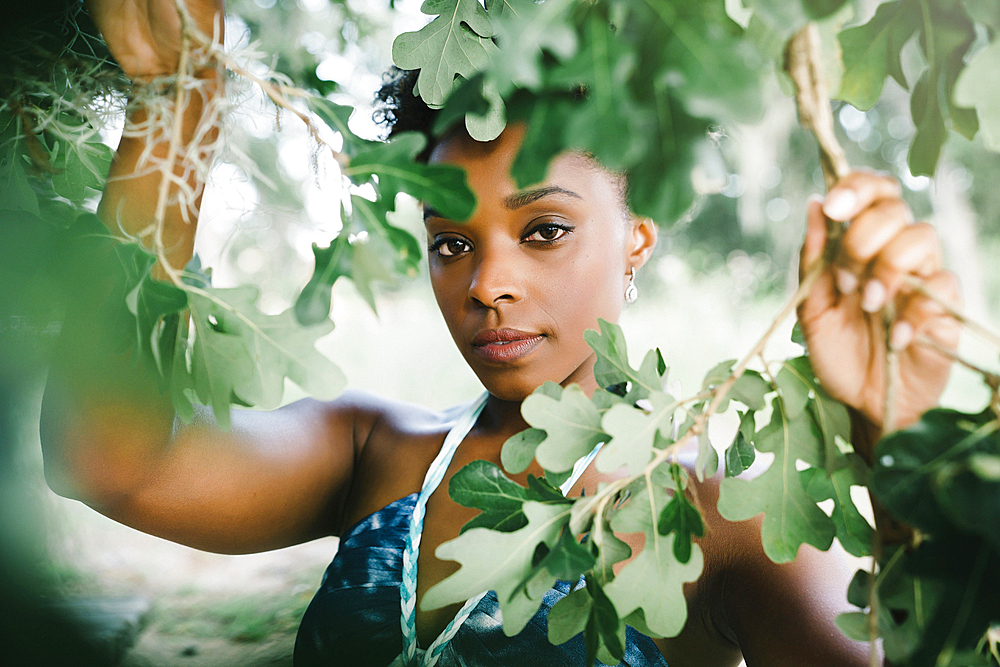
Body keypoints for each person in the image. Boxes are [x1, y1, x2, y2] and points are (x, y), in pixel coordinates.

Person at [41, 0, 962, 665]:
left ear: (635, 240)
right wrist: (177, 102)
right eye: (451, 244)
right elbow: (109, 460)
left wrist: (890, 437)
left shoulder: (725, 524)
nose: (486, 284)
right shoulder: (377, 454)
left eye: (544, 230)